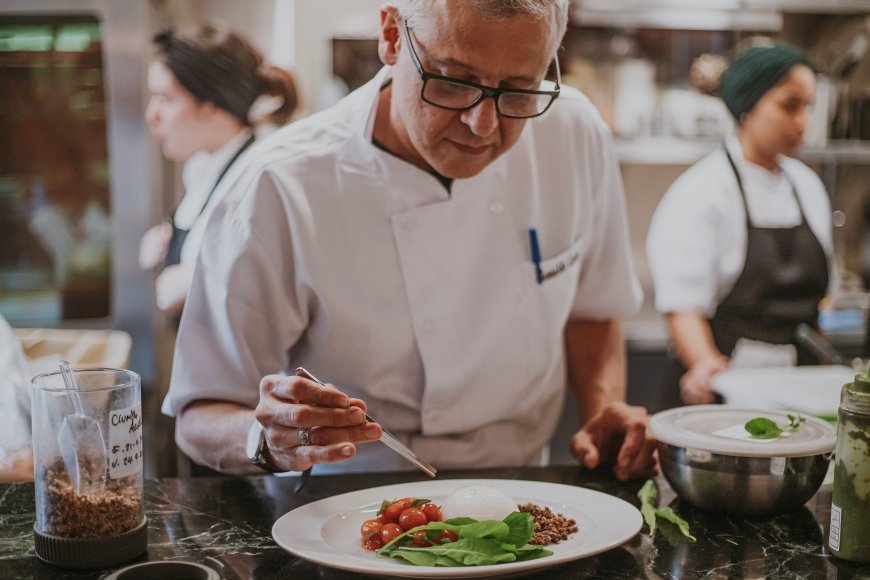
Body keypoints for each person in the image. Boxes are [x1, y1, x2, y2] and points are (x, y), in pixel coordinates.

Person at [163, 0, 657, 480]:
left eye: (518, 90)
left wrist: (604, 409)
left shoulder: (572, 132)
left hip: (523, 488)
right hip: (340, 498)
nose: (482, 125)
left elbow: (592, 310)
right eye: (454, 80)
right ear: (392, 37)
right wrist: (266, 438)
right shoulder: (281, 184)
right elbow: (201, 411)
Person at [646, 42, 834, 406]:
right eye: (789, 106)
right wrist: (704, 369)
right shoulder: (701, 191)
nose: (802, 122)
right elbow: (683, 309)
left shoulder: (807, 186)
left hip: (800, 386)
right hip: (724, 386)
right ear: (748, 106)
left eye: (807, 107)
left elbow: (817, 305)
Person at [138, 23, 299, 317]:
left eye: (166, 98)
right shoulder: (203, 165)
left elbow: (283, 293)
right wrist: (168, 231)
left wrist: (203, 287)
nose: (152, 115)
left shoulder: (262, 180)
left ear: (211, 106)